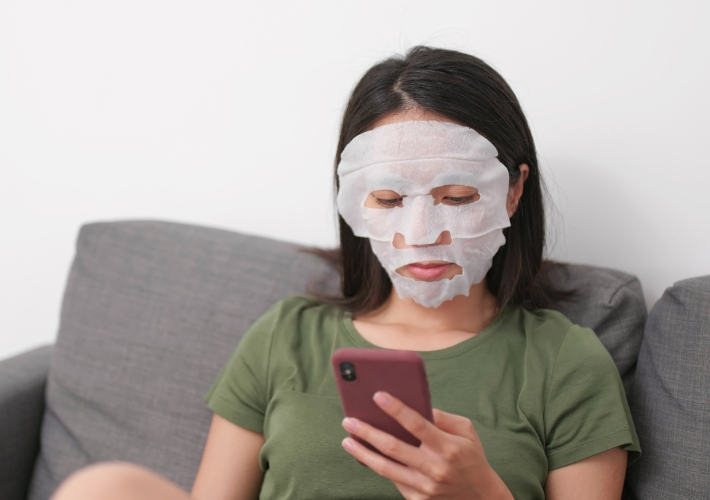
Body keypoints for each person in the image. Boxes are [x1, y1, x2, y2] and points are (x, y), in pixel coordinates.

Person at [52, 46, 640, 500]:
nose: (420, 232)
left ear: (513, 190)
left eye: (457, 196)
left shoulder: (565, 361)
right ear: (354, 201)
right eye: (388, 200)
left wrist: (481, 493)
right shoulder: (288, 333)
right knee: (103, 486)